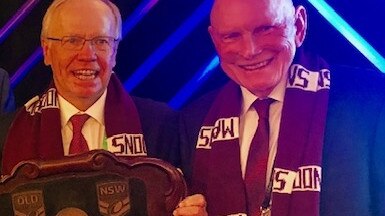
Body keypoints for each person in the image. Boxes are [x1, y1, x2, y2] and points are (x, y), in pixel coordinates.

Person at [174, 0, 385, 215]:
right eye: (232, 36)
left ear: (299, 26)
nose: (249, 51)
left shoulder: (372, 102)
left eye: (265, 29)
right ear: (215, 40)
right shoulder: (193, 122)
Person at [0, 0, 180, 177]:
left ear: (114, 51)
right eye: (72, 41)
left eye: (101, 41)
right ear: (47, 51)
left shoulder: (162, 127)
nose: (87, 55)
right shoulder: (7, 134)